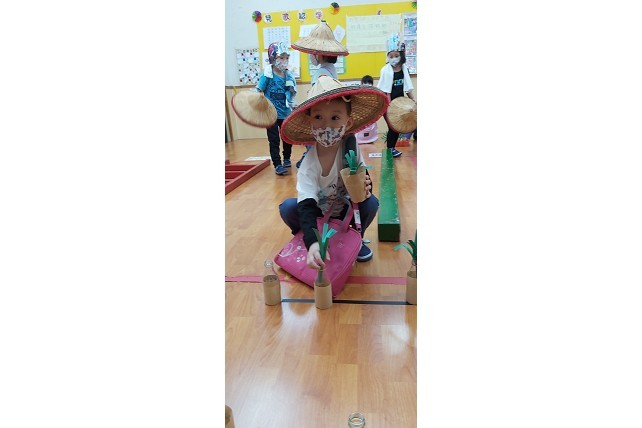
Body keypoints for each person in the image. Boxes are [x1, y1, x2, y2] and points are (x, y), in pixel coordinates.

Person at [278, 76, 389, 266]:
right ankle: (308, 238)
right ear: (310, 122)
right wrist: (313, 242)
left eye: (335, 118)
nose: (326, 125)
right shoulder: (309, 164)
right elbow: (306, 205)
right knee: (288, 207)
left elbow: (362, 181)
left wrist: (365, 186)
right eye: (318, 117)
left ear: (348, 122)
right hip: (317, 213)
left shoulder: (350, 148)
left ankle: (355, 239)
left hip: (345, 212)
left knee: (371, 203)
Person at [290, 20, 349, 168]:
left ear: (320, 55)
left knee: (313, 144)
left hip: (320, 115)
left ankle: (309, 163)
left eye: (313, 53)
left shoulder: (321, 72)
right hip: (329, 116)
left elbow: (318, 98)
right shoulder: (331, 69)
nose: (311, 56)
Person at [256, 41, 297, 175]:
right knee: (273, 139)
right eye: (281, 57)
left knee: (287, 136)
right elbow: (259, 89)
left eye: (287, 57)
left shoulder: (288, 75)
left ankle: (287, 158)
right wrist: (257, 100)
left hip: (285, 112)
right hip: (271, 114)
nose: (284, 60)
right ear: (273, 58)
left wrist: (292, 103)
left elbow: (290, 92)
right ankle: (277, 164)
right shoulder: (267, 74)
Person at [377, 33, 416, 158]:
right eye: (391, 56)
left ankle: (391, 148)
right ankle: (390, 149)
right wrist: (389, 106)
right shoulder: (385, 70)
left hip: (400, 104)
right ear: (387, 57)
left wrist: (413, 100)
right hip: (387, 103)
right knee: (392, 127)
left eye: (396, 55)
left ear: (401, 56)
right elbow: (384, 90)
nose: (393, 58)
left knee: (397, 127)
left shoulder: (404, 69)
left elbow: (408, 87)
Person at [355, 75, 379, 144]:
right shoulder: (359, 94)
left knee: (371, 132)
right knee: (361, 132)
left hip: (371, 118)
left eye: (369, 83)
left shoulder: (375, 94)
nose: (367, 84)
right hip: (362, 118)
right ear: (362, 84)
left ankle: (370, 141)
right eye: (365, 83)